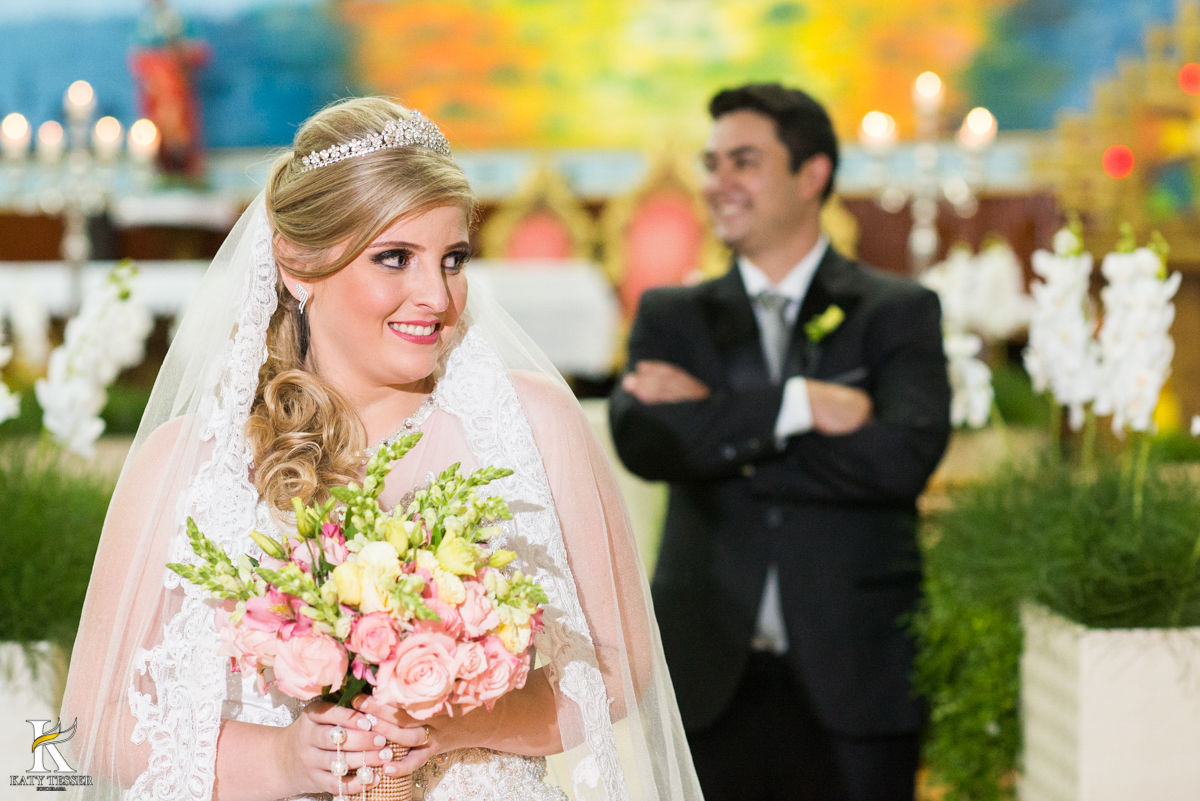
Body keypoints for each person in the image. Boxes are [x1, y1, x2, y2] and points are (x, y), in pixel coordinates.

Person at [62, 97, 701, 801]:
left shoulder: (535, 425)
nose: (435, 295)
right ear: (299, 265)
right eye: (394, 258)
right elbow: (91, 718)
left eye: (453, 259)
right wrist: (280, 760)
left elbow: (621, 662)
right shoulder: (188, 465)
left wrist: (463, 718)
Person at [609, 83, 951, 801]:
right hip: (709, 673)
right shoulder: (674, 316)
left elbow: (902, 459)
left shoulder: (896, 311)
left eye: (743, 161)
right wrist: (800, 404)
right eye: (711, 164)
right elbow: (644, 439)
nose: (717, 183)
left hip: (858, 671)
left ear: (812, 174)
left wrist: (720, 424)